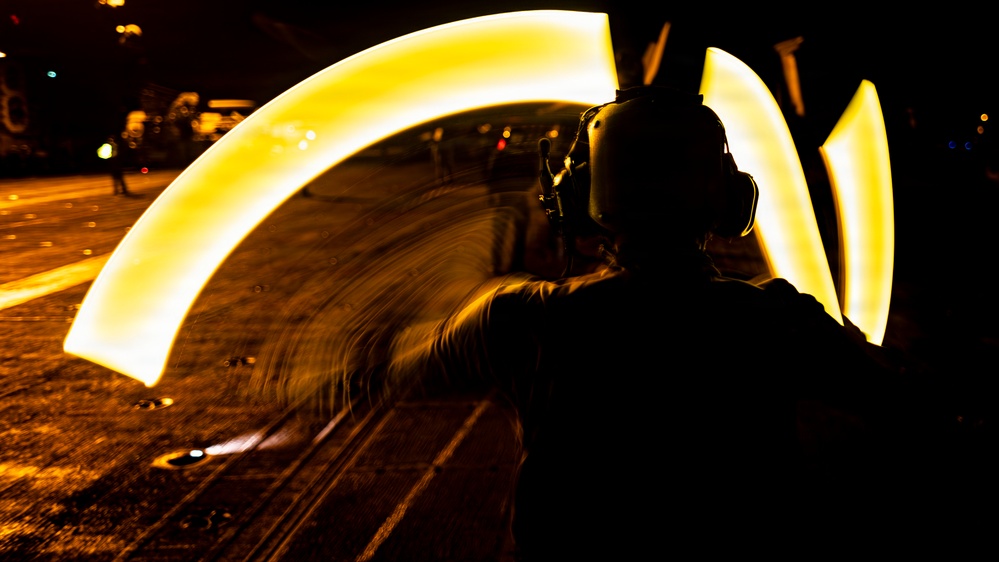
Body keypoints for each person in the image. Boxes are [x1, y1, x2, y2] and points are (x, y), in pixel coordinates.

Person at [379, 86, 965, 558]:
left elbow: (397, 371)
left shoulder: (521, 317)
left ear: (578, 199)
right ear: (730, 200)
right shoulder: (780, 319)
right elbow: (913, 407)